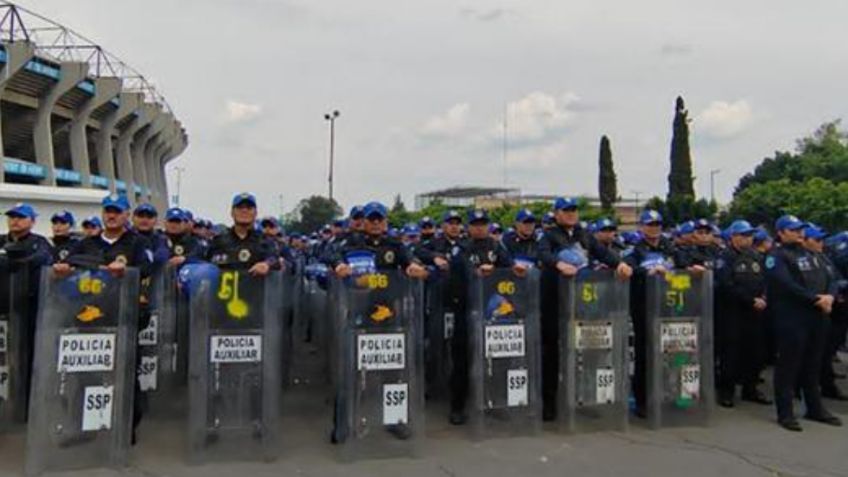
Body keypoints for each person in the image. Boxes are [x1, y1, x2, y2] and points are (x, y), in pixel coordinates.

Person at [55, 194, 153, 443]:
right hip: (88, 318)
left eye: (117, 211)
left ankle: (125, 427)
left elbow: (148, 268)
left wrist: (127, 270)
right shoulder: (87, 243)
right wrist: (62, 269)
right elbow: (67, 264)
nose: (111, 215)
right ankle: (83, 427)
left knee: (125, 375)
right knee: (85, 375)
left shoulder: (137, 243)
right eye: (108, 211)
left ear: (126, 215)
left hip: (123, 317)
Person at [537, 197, 631, 420]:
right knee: (551, 353)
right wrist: (559, 264)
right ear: (556, 214)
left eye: (573, 210)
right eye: (566, 210)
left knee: (585, 351)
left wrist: (620, 264)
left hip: (582, 303)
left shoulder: (584, 235)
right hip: (554, 301)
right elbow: (543, 254)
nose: (571, 214)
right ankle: (549, 404)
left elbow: (602, 253)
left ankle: (584, 398)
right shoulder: (549, 235)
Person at [765, 215, 841, 431]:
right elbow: (786, 285)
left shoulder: (813, 254)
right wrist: (815, 299)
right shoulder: (777, 256)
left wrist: (830, 296)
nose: (799, 233)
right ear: (781, 233)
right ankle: (785, 413)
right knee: (788, 365)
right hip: (792, 317)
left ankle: (815, 408)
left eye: (800, 229)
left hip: (818, 316)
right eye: (793, 230)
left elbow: (832, 277)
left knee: (813, 364)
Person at [623, 209, 677, 417]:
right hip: (643, 308)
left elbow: (683, 267)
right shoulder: (635, 251)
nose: (654, 229)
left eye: (657, 225)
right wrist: (648, 271)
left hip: (668, 306)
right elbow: (628, 269)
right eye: (650, 225)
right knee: (645, 354)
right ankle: (642, 401)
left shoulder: (670, 248)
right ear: (641, 227)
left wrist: (672, 273)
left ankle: (668, 396)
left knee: (669, 354)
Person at [714, 220, 771, 407]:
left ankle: (750, 389)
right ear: (733, 237)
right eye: (744, 235)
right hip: (732, 312)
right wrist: (750, 300)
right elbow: (726, 285)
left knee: (755, 352)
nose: (748, 239)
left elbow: (765, 279)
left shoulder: (755, 256)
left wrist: (763, 296)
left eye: (750, 235)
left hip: (755, 312)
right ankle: (726, 392)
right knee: (731, 354)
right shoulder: (725, 257)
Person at [801, 224, 848, 401]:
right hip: (815, 310)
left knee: (826, 350)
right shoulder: (799, 260)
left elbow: (834, 279)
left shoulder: (823, 258)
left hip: (831, 306)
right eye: (817, 239)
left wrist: (832, 294)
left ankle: (822, 384)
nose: (822, 243)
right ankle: (816, 387)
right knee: (818, 352)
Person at [206, 193, 275, 276]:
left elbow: (275, 259)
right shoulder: (218, 241)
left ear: (256, 213)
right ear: (232, 213)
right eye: (239, 208)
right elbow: (203, 263)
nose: (244, 211)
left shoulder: (265, 241)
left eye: (249, 208)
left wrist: (266, 264)